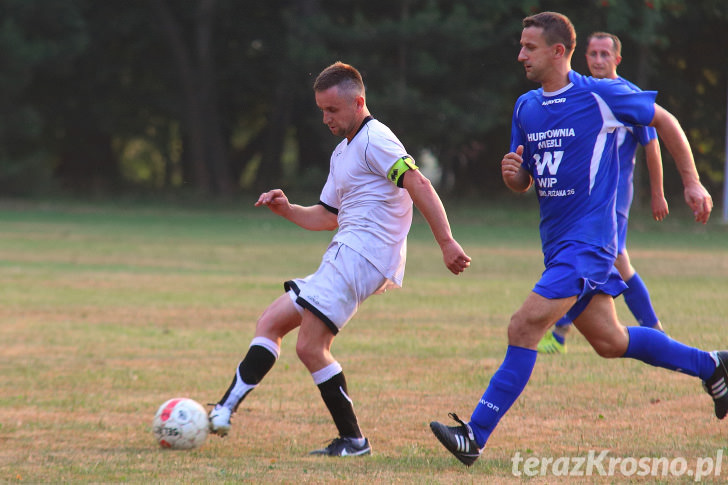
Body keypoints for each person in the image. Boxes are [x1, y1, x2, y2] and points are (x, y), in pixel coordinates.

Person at [429, 11, 726, 467]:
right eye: (520, 45)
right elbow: (524, 179)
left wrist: (691, 182)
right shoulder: (525, 106)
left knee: (524, 325)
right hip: (558, 247)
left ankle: (475, 434)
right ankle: (714, 367)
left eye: (529, 47)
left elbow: (663, 121)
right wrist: (514, 176)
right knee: (610, 341)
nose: (520, 54)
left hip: (591, 244)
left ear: (558, 52)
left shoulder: (600, 95)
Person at [208, 61, 471, 457]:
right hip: (347, 250)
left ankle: (353, 441)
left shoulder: (375, 138)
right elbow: (329, 216)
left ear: (358, 101)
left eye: (332, 110)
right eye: (321, 111)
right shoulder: (343, 153)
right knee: (272, 322)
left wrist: (446, 242)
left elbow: (417, 181)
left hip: (362, 254)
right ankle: (224, 409)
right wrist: (287, 209)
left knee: (311, 346)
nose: (326, 119)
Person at [537, 31, 669, 354]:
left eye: (604, 55)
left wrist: (658, 193)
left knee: (615, 260)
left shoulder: (626, 95)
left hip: (614, 199)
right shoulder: (584, 93)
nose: (597, 60)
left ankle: (653, 331)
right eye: (592, 54)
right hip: (588, 200)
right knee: (607, 263)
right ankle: (565, 331)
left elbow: (652, 146)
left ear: (617, 59)